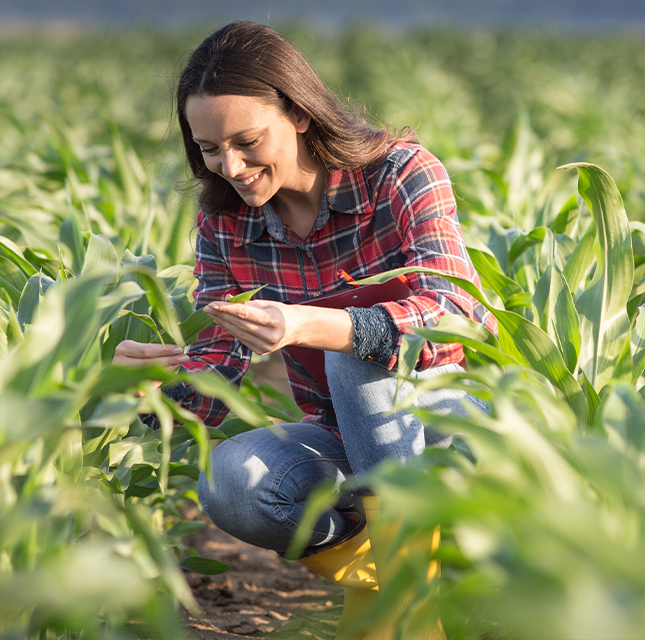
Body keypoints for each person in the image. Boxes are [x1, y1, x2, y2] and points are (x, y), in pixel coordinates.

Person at [112, 21, 496, 640]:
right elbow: (217, 369)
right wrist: (136, 387)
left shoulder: (399, 174)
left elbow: (454, 311)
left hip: (455, 420)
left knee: (350, 353)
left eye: (247, 140)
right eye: (210, 149)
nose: (231, 166)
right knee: (234, 483)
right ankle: (398, 581)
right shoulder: (228, 226)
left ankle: (404, 614)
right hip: (347, 437)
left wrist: (314, 323)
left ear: (299, 113)